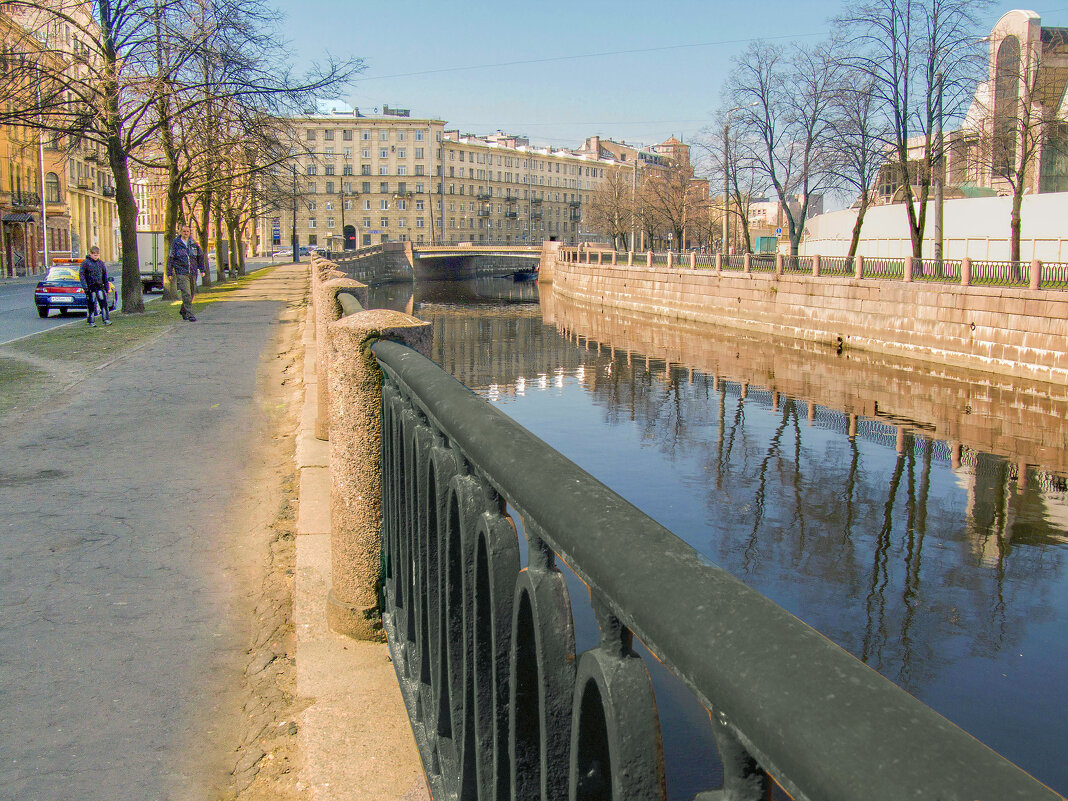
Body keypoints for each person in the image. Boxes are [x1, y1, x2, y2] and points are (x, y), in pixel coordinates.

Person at [166, 223, 204, 321]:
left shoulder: (194, 243)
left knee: (191, 293)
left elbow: (200, 256)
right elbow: (170, 258)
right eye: (184, 231)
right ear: (180, 232)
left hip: (192, 272)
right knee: (186, 293)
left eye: (187, 231)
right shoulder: (176, 243)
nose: (186, 233)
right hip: (181, 272)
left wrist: (202, 269)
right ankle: (190, 314)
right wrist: (169, 272)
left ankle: (183, 310)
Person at [79, 246, 111, 327]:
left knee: (103, 304)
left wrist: (106, 287)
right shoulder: (85, 263)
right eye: (94, 255)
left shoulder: (101, 263)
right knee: (91, 305)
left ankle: (105, 319)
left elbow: (104, 276)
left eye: (97, 255)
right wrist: (85, 287)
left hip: (100, 286)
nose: (96, 257)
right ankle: (91, 321)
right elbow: (82, 275)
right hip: (90, 287)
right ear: (90, 254)